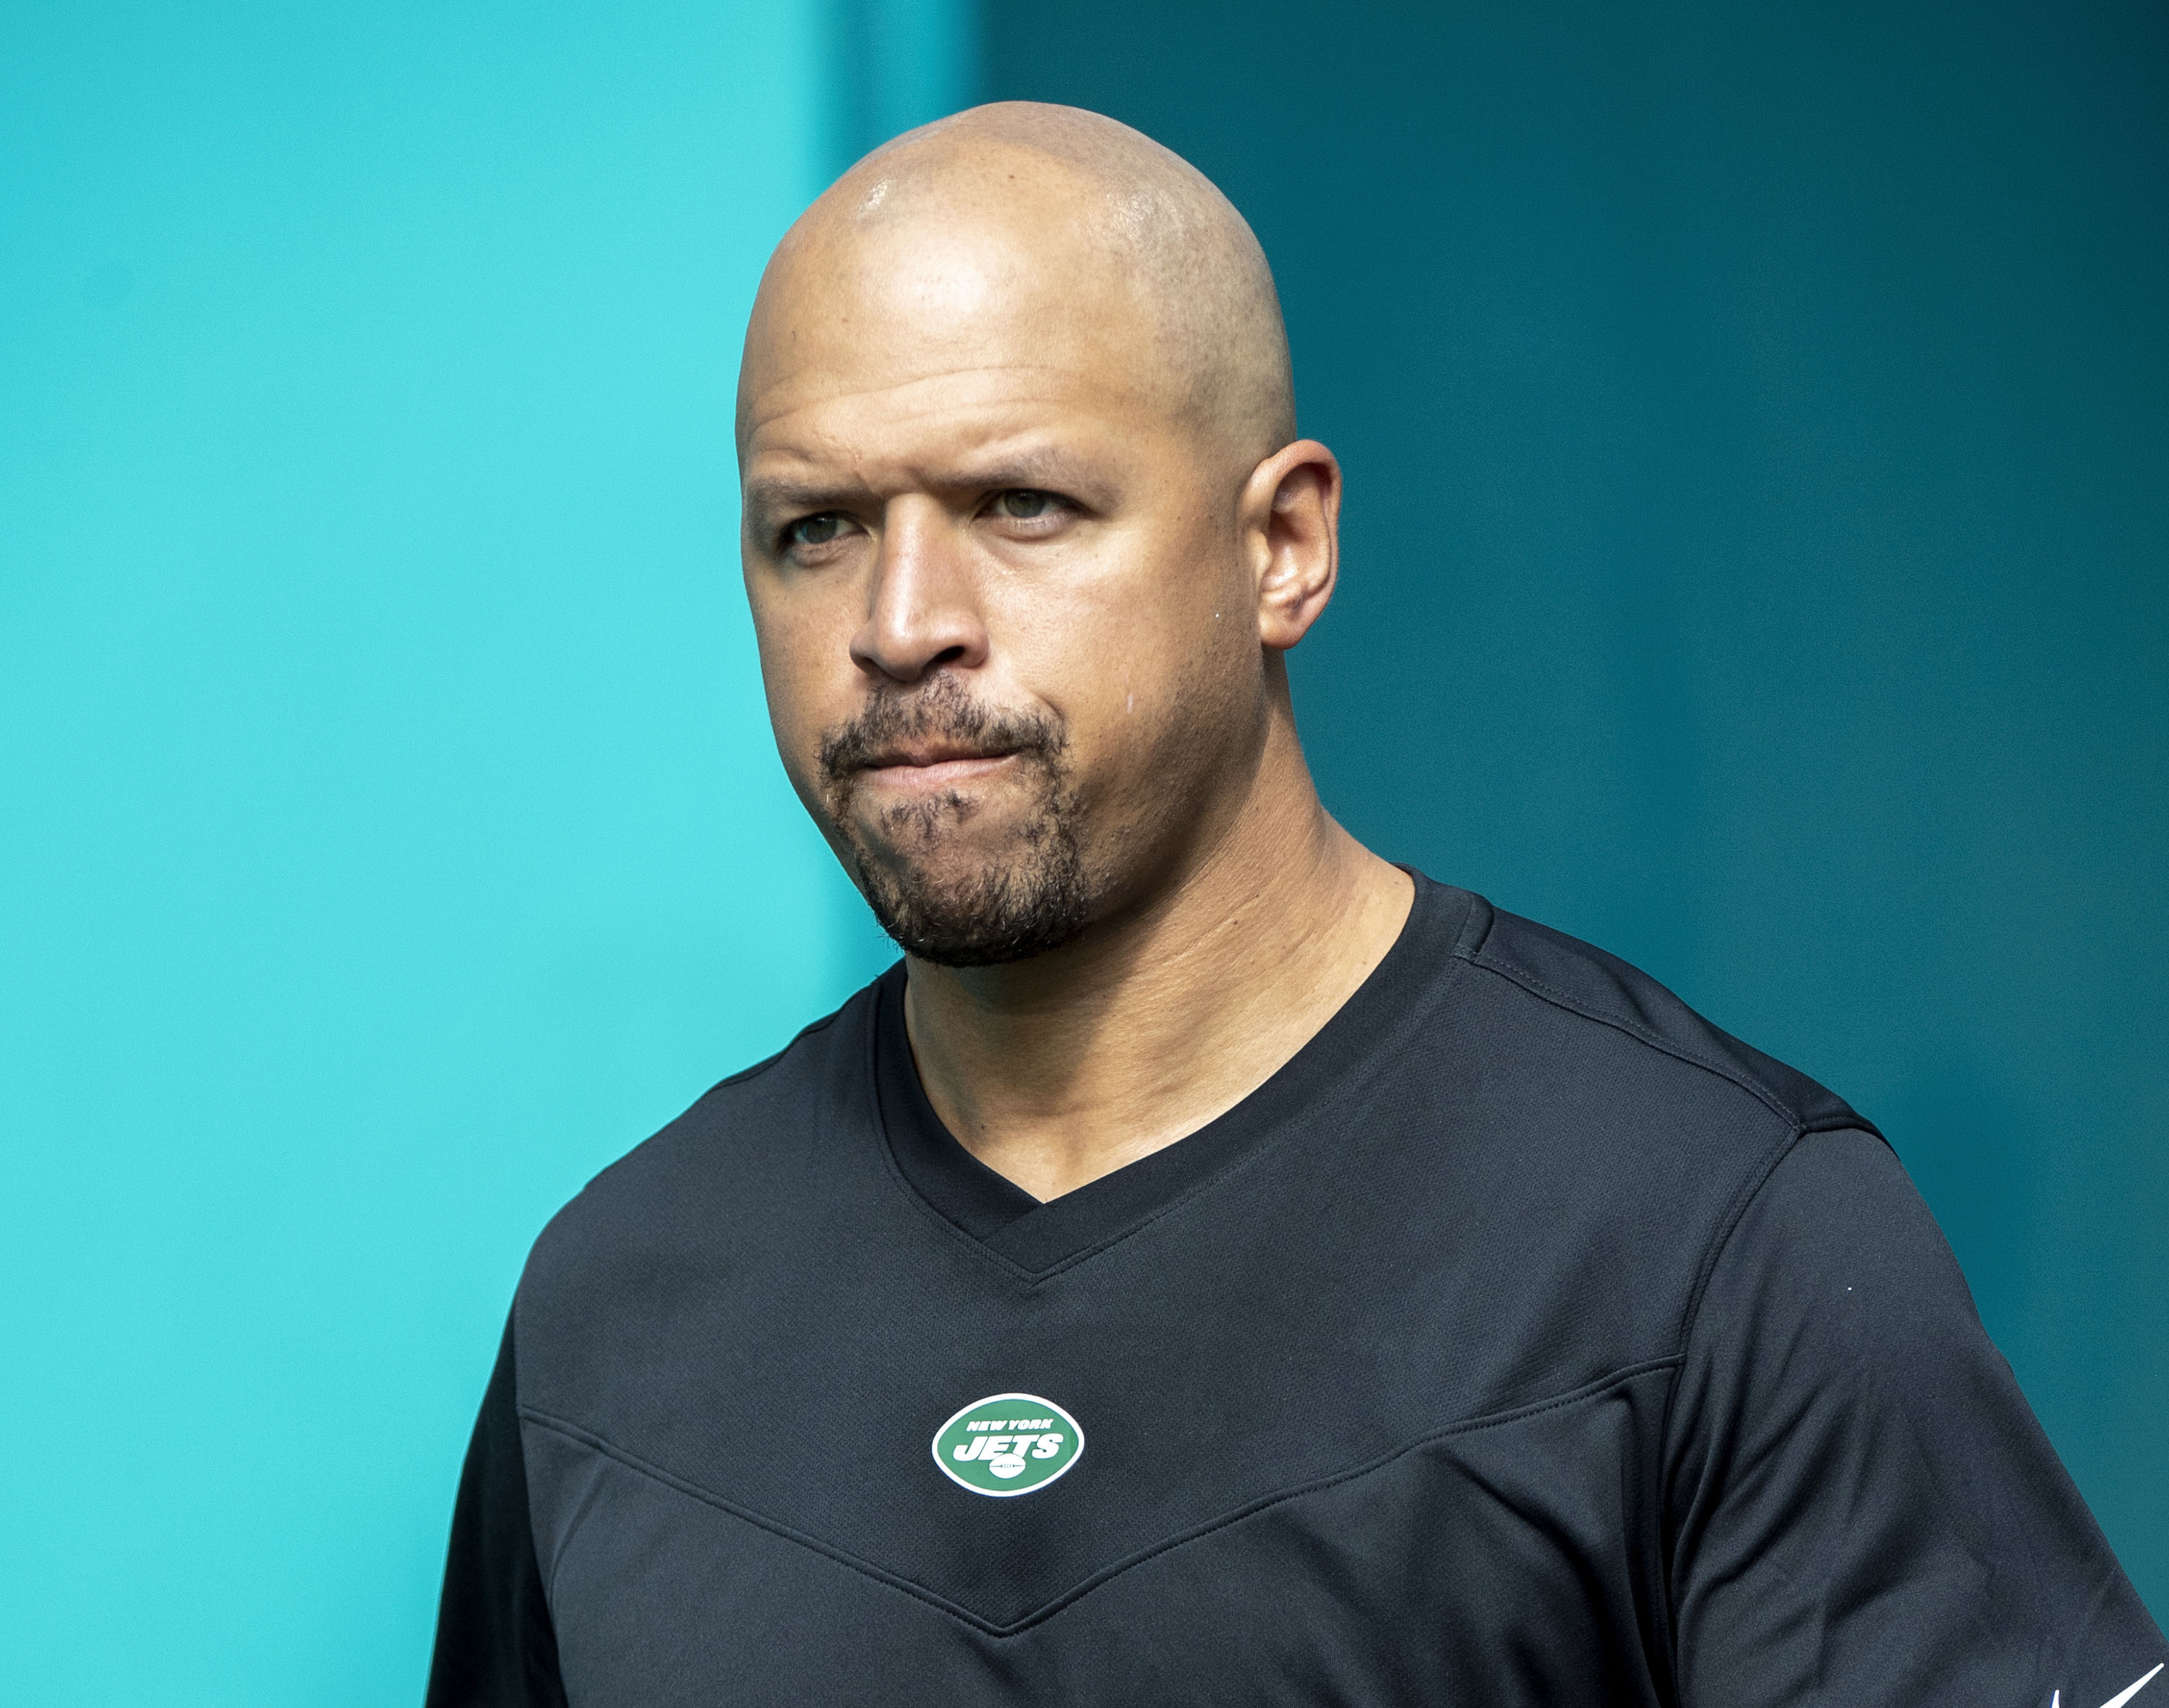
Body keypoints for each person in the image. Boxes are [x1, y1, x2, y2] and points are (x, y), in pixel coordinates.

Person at [426, 103, 2162, 1707]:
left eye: (1021, 505)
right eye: (814, 528)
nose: (901, 620)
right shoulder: (617, 1313)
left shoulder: (1710, 1242)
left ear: (1285, 548)